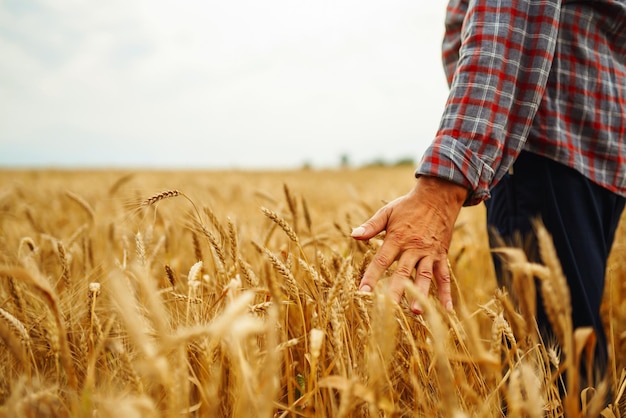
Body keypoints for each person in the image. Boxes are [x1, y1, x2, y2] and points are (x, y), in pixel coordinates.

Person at [351, 0, 626, 379]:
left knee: (555, 372)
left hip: (544, 150)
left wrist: (442, 186)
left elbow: (508, 17)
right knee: (571, 353)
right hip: (600, 149)